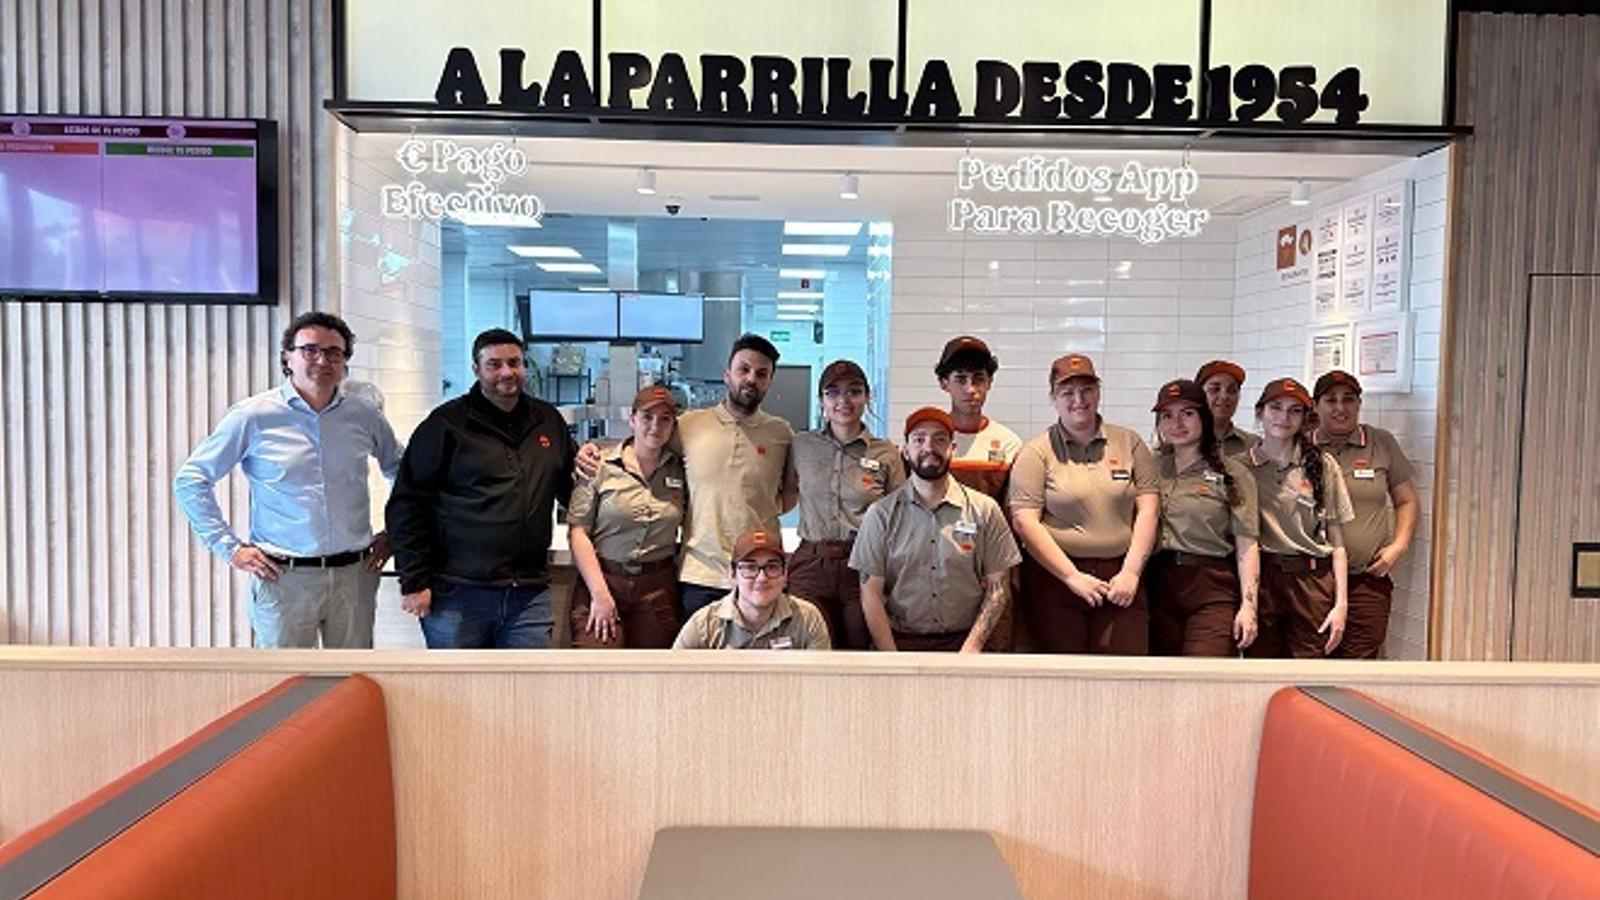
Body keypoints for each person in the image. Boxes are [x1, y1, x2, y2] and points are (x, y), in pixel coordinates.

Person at [174, 311, 401, 649]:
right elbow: (191, 480)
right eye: (310, 350)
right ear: (287, 357)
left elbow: (403, 472)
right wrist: (230, 548)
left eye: (334, 352)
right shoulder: (253, 416)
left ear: (344, 362)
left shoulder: (364, 415)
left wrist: (395, 532)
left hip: (354, 576)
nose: (322, 360)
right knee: (285, 677)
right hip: (283, 579)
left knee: (350, 676)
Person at [578, 334, 798, 619]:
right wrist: (594, 450)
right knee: (698, 650)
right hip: (700, 575)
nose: (751, 379)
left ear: (769, 381)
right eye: (743, 369)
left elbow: (789, 496)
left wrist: (755, 506)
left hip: (759, 575)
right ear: (727, 374)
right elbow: (646, 442)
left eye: (761, 373)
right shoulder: (689, 426)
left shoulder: (781, 434)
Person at [386, 328, 577, 649]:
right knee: (461, 682)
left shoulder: (547, 420)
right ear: (476, 369)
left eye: (514, 363)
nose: (507, 372)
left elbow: (570, 486)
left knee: (529, 681)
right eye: (494, 364)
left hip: (528, 593)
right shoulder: (446, 425)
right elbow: (408, 504)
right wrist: (413, 580)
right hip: (457, 594)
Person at [1008, 354, 1160, 655]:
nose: (1079, 400)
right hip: (1056, 580)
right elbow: (1025, 522)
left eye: (1087, 390)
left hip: (1121, 578)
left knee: (1125, 670)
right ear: (1053, 398)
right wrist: (1071, 576)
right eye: (1067, 392)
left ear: (1098, 392)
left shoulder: (1129, 442)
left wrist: (1131, 572)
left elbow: (1149, 510)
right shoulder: (1036, 453)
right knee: (1064, 675)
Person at [850, 407, 1021, 653]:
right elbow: (870, 593)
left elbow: (999, 587)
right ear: (905, 451)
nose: (929, 447)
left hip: (965, 644)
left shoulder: (985, 510)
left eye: (940, 439)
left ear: (953, 448)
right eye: (919, 440)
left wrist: (970, 650)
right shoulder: (881, 515)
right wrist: (891, 656)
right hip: (901, 643)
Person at [786, 360, 905, 650]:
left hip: (863, 566)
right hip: (811, 564)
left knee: (859, 651)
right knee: (808, 648)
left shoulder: (886, 454)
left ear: (867, 397)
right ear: (821, 401)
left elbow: (900, 518)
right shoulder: (800, 445)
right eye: (833, 393)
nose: (843, 401)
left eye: (854, 391)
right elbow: (786, 493)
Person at [566, 385, 687, 649]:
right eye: (647, 417)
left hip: (657, 588)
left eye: (665, 419)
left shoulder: (682, 471)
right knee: (597, 665)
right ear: (632, 419)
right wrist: (600, 595)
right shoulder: (598, 465)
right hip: (603, 580)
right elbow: (578, 532)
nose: (655, 426)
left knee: (652, 669)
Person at [1145, 379, 1261, 656]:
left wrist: (1249, 606)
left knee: (1204, 671)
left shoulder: (1233, 473)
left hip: (1211, 588)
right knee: (1160, 675)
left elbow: (1247, 544)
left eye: (1187, 413)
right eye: (1167, 415)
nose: (1176, 423)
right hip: (1157, 586)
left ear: (1204, 417)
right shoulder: (1150, 468)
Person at [1243, 377, 1355, 658]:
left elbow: (1338, 543)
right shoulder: (1242, 467)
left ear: (1305, 418)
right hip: (1263, 578)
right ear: (1260, 412)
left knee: (1309, 669)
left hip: (1311, 580)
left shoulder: (1322, 465)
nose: (1284, 417)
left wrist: (1341, 604)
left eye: (1294, 410)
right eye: (1276, 408)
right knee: (1261, 667)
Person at [1312, 370, 1419, 659]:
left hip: (1365, 580)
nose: (1340, 407)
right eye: (1330, 400)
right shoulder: (1301, 446)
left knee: (1359, 665)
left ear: (1359, 404)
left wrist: (1398, 546)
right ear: (1315, 406)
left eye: (1348, 399)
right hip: (1312, 581)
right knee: (1312, 663)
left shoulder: (1380, 443)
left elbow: (1406, 500)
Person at [673, 529, 831, 650]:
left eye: (772, 567)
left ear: (785, 574)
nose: (762, 578)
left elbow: (821, 679)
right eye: (750, 567)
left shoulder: (808, 619)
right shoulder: (703, 625)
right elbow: (673, 677)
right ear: (732, 574)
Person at [936, 335, 1023, 501]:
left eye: (978, 379)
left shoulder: (1009, 444)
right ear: (943, 383)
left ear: (989, 382)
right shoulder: (928, 442)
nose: (970, 389)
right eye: (961, 379)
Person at [1195, 360, 1260, 457]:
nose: (1224, 396)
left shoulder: (1254, 445)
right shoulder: (1183, 442)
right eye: (1215, 389)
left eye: (1232, 390)